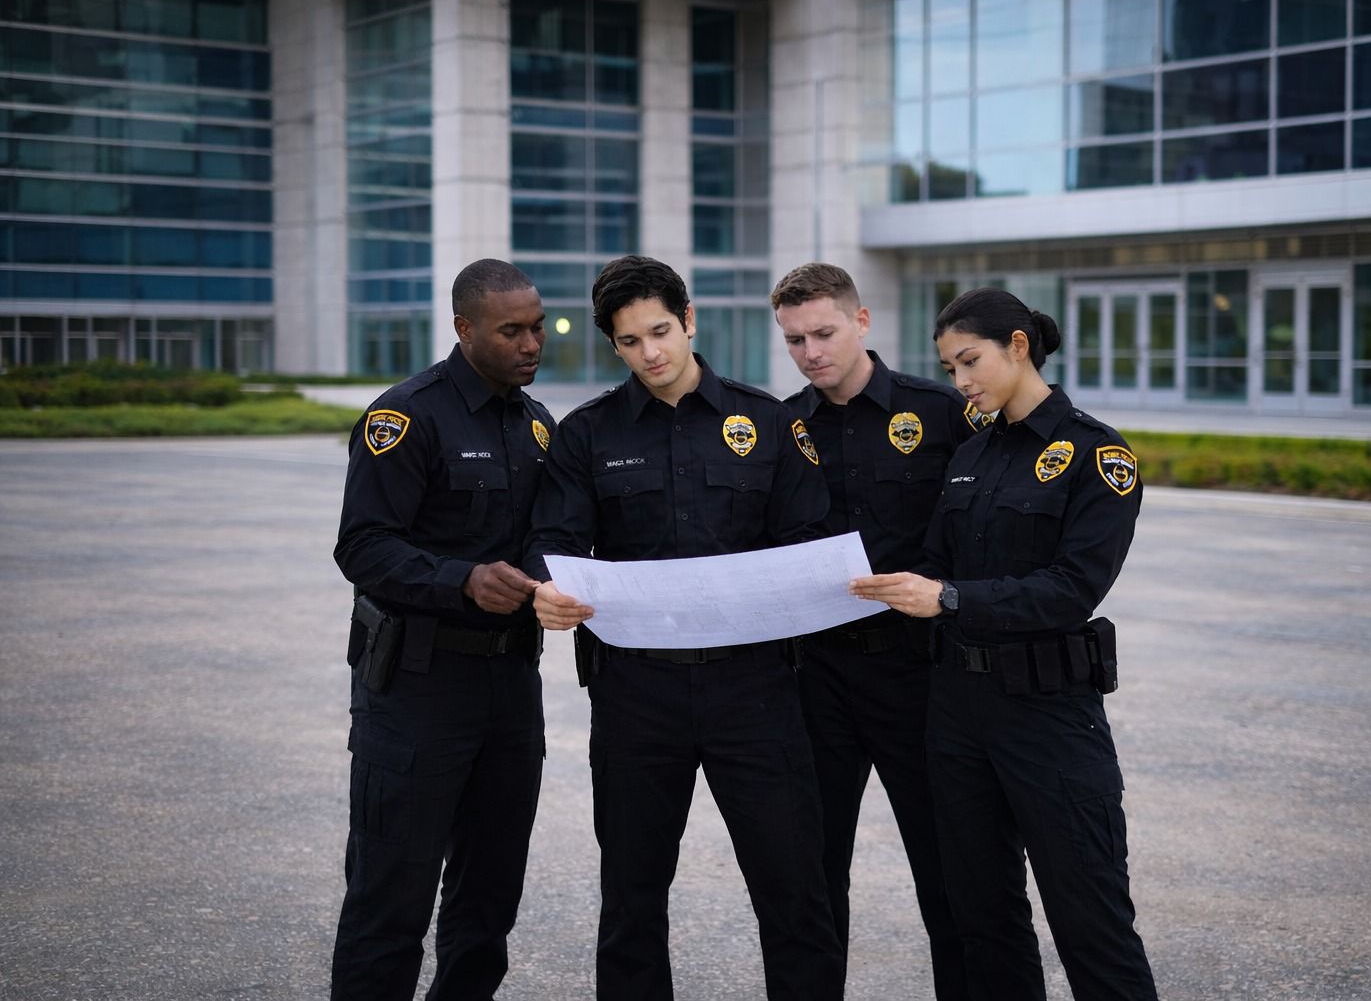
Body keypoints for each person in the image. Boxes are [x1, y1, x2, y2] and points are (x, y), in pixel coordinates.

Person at [526, 255, 845, 1001]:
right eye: (631, 342)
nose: (652, 353)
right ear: (614, 346)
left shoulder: (769, 421)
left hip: (757, 693)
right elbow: (552, 545)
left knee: (795, 892)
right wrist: (548, 591)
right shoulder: (587, 435)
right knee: (632, 900)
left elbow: (810, 536)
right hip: (637, 698)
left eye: (662, 331)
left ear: (690, 320)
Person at [850, 287, 1158, 1001]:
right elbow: (936, 559)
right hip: (958, 714)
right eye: (950, 367)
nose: (960, 381)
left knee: (1092, 919)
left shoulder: (1096, 454)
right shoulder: (973, 452)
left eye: (970, 361)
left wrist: (950, 599)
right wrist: (883, 582)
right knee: (983, 919)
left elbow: (1071, 588)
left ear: (1018, 346)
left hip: (1048, 715)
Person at [331, 259, 555, 1001]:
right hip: (419, 690)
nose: (531, 344)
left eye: (538, 327)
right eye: (511, 331)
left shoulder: (536, 424)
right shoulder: (408, 417)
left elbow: (546, 537)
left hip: (509, 687)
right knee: (390, 896)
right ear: (464, 330)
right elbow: (362, 545)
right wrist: (460, 579)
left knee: (489, 900)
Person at [772, 262, 986, 1000]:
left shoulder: (941, 412)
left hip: (918, 675)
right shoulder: (782, 426)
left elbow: (981, 531)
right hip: (817, 680)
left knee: (949, 870)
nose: (810, 353)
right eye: (795, 339)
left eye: (824, 333)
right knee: (811, 876)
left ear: (862, 323)